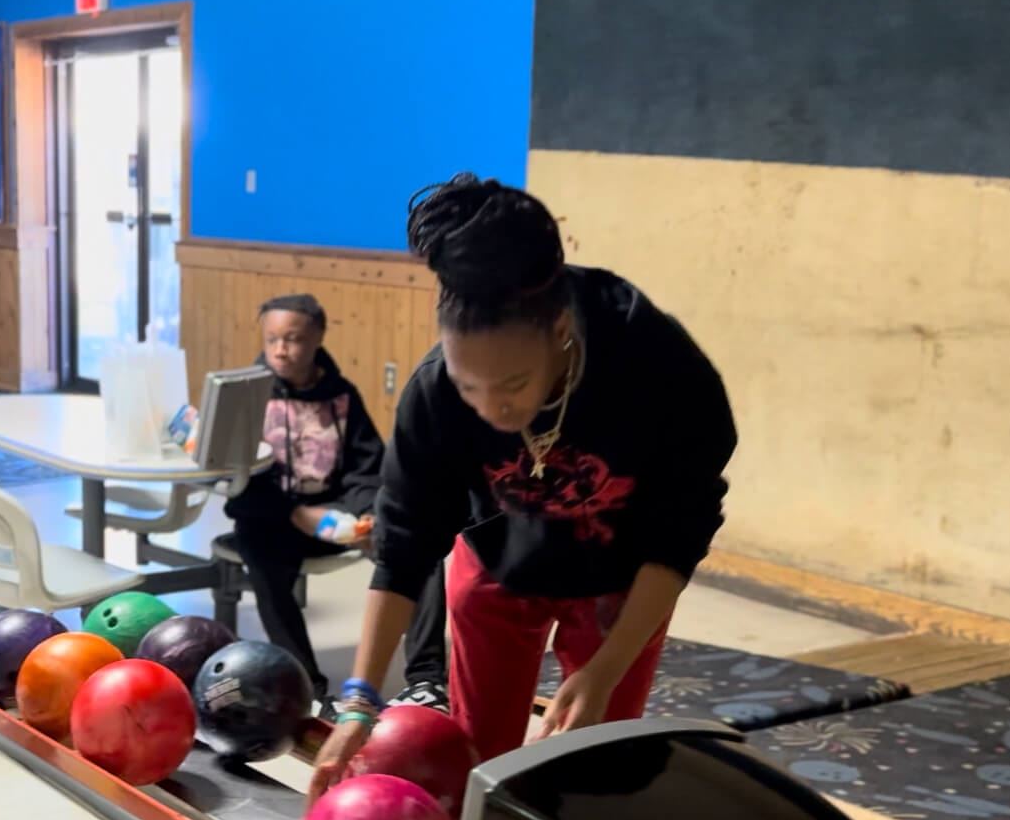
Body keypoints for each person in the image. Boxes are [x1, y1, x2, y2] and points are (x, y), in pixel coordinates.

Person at [312, 174, 737, 787]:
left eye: (512, 385)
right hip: (497, 566)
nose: (490, 411)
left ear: (561, 331)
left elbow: (682, 531)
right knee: (483, 766)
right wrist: (358, 701)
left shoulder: (657, 368)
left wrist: (606, 668)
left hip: (620, 579)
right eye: (469, 386)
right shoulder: (434, 392)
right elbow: (402, 545)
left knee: (595, 767)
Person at [223, 294, 449, 709]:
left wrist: (365, 516)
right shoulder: (247, 397)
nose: (280, 350)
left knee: (419, 547)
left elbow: (367, 469)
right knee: (260, 553)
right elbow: (233, 482)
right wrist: (294, 513)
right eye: (272, 339)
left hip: (335, 518)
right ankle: (307, 686)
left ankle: (428, 679)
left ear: (317, 338)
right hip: (273, 519)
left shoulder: (342, 395)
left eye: (292, 339)